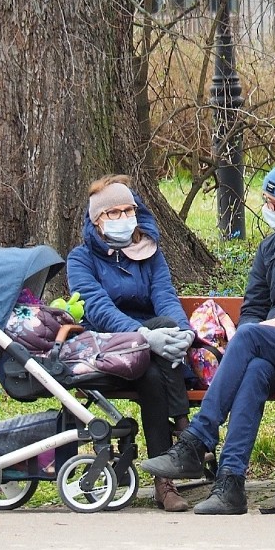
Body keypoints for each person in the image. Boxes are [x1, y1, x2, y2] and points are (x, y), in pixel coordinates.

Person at [140, 157, 275, 515]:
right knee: (256, 367)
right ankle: (230, 482)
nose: (268, 210)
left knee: (249, 338)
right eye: (266, 202)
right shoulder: (270, 248)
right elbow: (254, 308)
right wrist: (266, 330)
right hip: (274, 350)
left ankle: (197, 440)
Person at [66, 174, 196, 512]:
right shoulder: (80, 259)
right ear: (97, 220)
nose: (125, 218)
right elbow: (99, 310)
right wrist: (144, 337)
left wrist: (183, 332)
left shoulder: (149, 252)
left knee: (153, 374)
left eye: (129, 210)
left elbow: (165, 297)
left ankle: (163, 483)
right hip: (109, 347)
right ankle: (185, 430)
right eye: (114, 213)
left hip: (155, 354)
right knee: (157, 342)